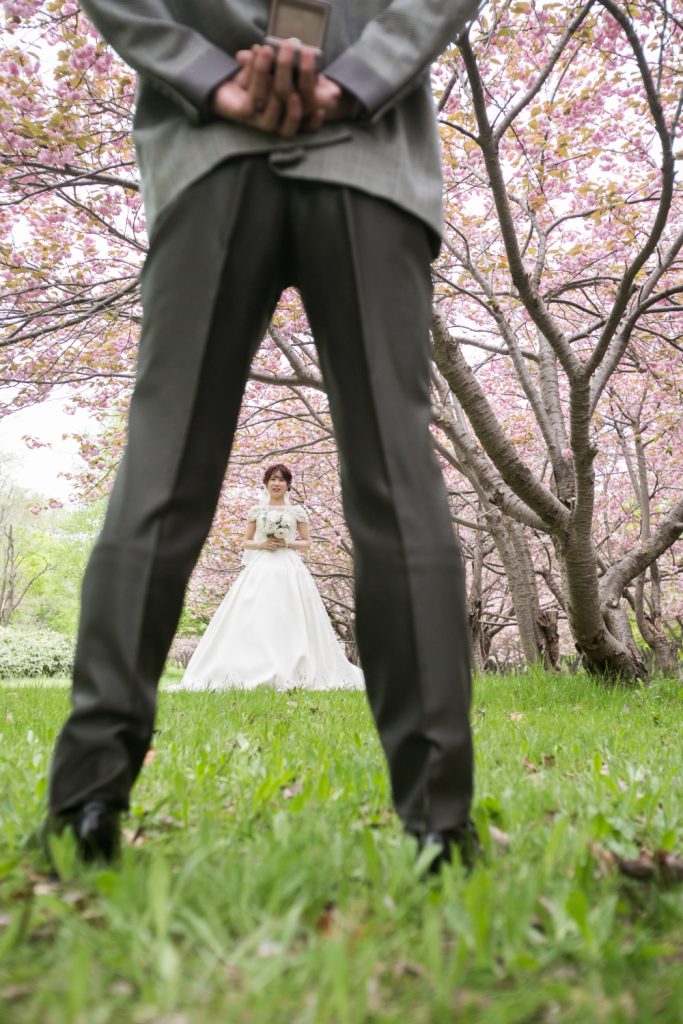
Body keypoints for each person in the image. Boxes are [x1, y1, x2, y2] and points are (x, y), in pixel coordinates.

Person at [46, 0, 482, 870]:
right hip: (371, 153)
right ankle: (438, 824)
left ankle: (87, 804)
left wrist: (208, 72)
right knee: (397, 478)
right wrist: (355, 77)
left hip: (209, 149)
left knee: (159, 471)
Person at [176, 463, 363, 690]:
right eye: (272, 479)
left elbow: (306, 543)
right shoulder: (256, 510)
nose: (276, 483)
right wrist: (262, 543)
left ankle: (296, 665)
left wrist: (287, 542)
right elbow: (246, 541)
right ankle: (253, 663)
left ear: (288, 485)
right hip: (262, 565)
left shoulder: (296, 512)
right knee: (256, 612)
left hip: (288, 566)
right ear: (266, 483)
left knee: (291, 613)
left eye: (281, 480)